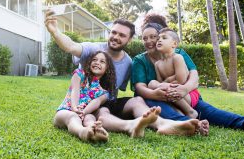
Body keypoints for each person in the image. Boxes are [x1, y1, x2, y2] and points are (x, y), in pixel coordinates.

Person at [45, 9, 206, 137]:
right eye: (114, 32)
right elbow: (71, 46)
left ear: (129, 40)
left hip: (107, 100)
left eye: (122, 35)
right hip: (86, 104)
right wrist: (55, 32)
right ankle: (131, 126)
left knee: (136, 101)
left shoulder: (129, 62)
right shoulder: (94, 49)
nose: (116, 37)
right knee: (102, 112)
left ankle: (164, 125)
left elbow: (120, 92)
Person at [131, 13, 244, 133]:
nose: (149, 41)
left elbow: (194, 76)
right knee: (156, 106)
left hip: (185, 95)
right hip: (156, 99)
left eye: (154, 37)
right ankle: (191, 124)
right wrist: (157, 93)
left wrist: (184, 89)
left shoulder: (178, 54)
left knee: (208, 111)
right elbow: (140, 88)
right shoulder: (140, 60)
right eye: (145, 38)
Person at [54, 51, 114, 142]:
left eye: (102, 61)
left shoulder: (105, 92)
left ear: (107, 68)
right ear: (89, 63)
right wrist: (75, 108)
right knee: (73, 116)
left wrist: (84, 112)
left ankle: (96, 131)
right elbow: (75, 90)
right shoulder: (79, 74)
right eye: (94, 60)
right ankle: (82, 132)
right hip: (66, 111)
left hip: (85, 114)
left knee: (90, 118)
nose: (97, 62)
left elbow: (96, 102)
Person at [148, 28, 199, 119]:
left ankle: (190, 111)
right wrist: (164, 84)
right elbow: (160, 83)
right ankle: (180, 113)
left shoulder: (177, 57)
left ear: (174, 44)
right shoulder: (157, 64)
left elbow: (181, 80)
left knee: (163, 86)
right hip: (172, 95)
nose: (159, 40)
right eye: (158, 38)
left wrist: (167, 81)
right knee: (152, 83)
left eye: (164, 38)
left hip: (187, 94)